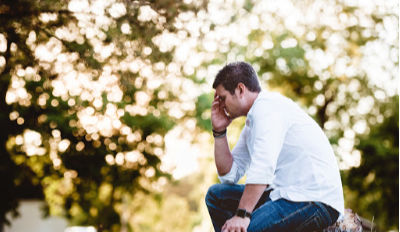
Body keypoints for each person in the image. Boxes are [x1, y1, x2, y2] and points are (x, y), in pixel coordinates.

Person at [205, 62, 344, 232]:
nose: (221, 105)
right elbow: (229, 175)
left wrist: (242, 215)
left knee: (245, 228)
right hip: (283, 194)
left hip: (314, 200)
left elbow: (263, 167)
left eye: (223, 98)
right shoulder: (252, 122)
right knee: (216, 196)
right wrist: (219, 131)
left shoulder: (268, 108)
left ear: (240, 90)